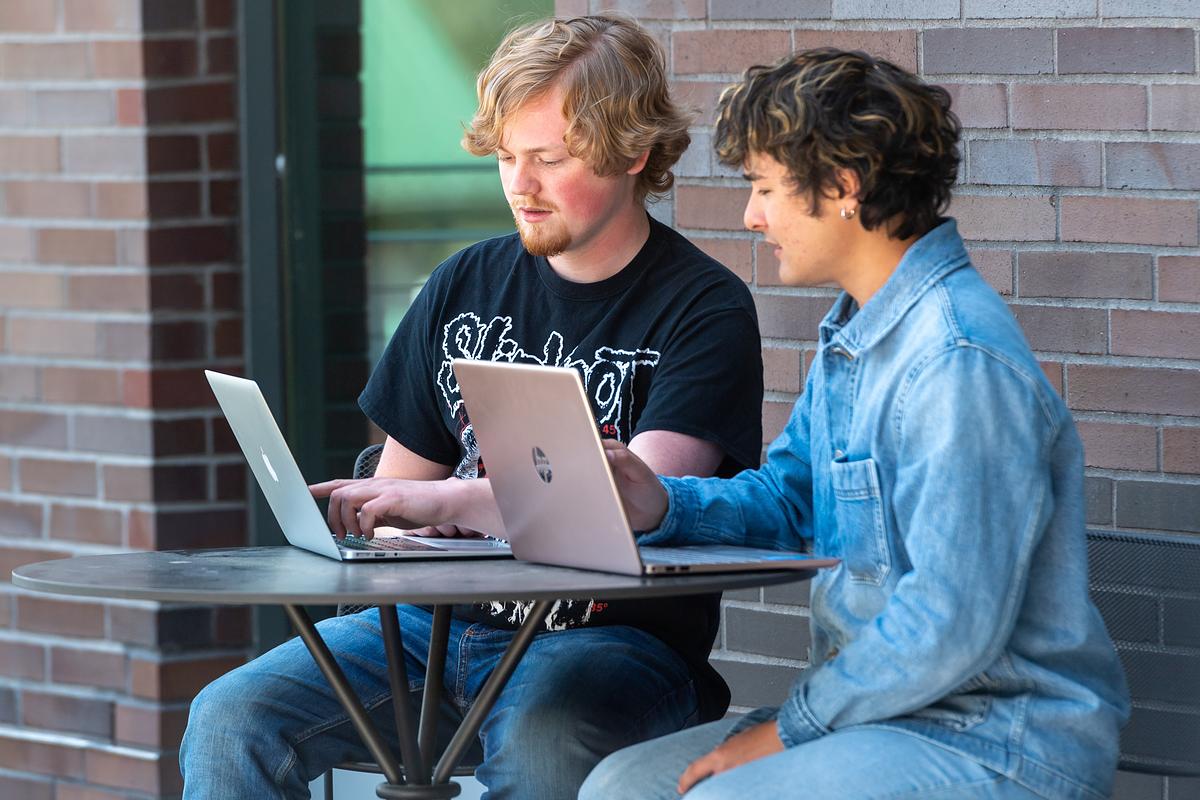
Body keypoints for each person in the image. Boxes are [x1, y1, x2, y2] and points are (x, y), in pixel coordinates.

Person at [179, 14, 764, 799]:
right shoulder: (463, 285)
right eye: (507, 157)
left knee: (542, 744)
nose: (519, 184)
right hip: (433, 628)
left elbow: (624, 502)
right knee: (230, 716)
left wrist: (449, 500)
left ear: (635, 152)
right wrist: (382, 521)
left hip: (606, 642)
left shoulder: (704, 308)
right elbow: (398, 495)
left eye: (549, 159)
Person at [578, 49, 1129, 800]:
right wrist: (664, 503)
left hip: (994, 741)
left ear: (842, 187)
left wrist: (787, 730)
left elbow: (949, 622)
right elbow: (787, 499)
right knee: (619, 787)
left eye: (765, 187)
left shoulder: (956, 362)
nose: (751, 215)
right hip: (880, 717)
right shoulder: (858, 338)